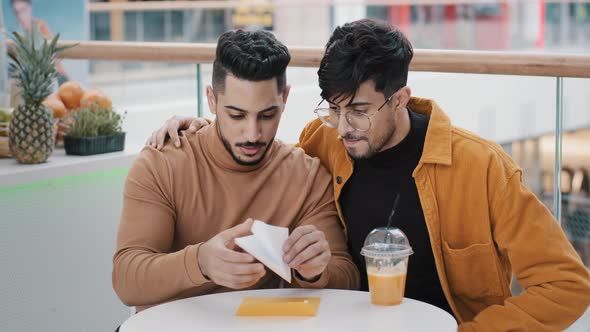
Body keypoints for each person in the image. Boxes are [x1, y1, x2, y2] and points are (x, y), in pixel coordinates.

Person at [148, 19, 590, 330]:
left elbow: (566, 284)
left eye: (359, 111)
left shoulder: (481, 167)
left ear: (400, 100)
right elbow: (264, 162)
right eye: (334, 109)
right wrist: (204, 128)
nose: (343, 128)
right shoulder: (323, 144)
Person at [113, 29, 359, 313]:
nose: (252, 134)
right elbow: (126, 280)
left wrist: (315, 272)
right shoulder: (162, 163)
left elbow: (347, 277)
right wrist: (200, 262)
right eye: (236, 115)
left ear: (285, 98)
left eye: (267, 115)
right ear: (212, 100)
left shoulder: (307, 176)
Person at [10, 0, 69, 84]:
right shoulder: (19, 32)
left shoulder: (40, 26)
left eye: (23, 10)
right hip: (32, 81)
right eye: (17, 12)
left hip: (54, 76)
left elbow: (53, 54)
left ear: (30, 8)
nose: (20, 16)